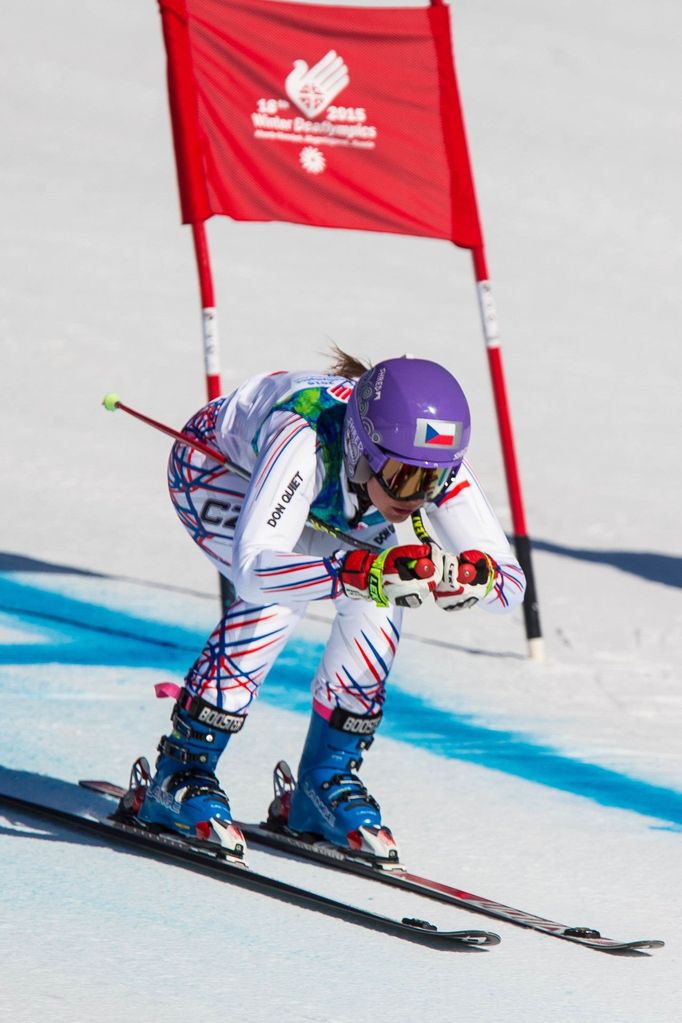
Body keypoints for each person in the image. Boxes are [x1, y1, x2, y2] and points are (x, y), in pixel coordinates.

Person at [120, 350, 526, 861]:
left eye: (432, 482)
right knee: (276, 599)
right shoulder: (303, 442)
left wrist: (469, 578)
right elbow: (253, 568)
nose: (416, 496)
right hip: (218, 475)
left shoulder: (423, 456)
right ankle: (181, 771)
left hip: (334, 502)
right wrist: (350, 573)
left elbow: (510, 587)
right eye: (404, 478)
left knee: (379, 605)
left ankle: (323, 784)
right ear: (363, 446)